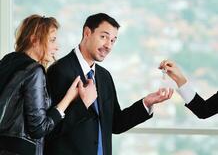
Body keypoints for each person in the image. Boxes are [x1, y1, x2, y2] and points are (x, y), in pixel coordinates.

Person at [44, 13, 173, 155]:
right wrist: (83, 104)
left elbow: (116, 124)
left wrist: (147, 103)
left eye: (113, 40)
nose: (108, 45)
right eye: (103, 37)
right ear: (87, 33)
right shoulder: (59, 71)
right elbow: (49, 129)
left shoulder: (104, 77)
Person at [0, 15, 97, 155]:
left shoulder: (7, 62)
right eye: (52, 40)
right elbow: (39, 128)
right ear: (34, 40)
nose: (56, 47)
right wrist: (69, 98)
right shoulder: (34, 71)